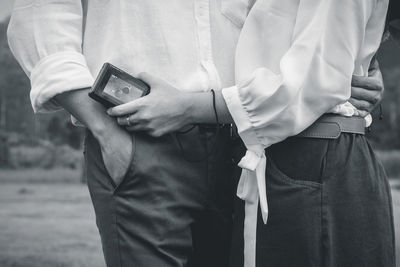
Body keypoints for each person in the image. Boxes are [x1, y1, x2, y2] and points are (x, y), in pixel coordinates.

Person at [7, 0, 386, 266]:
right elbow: (40, 13)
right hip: (140, 137)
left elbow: (306, 25)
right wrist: (105, 131)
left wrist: (347, 66)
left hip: (252, 144)